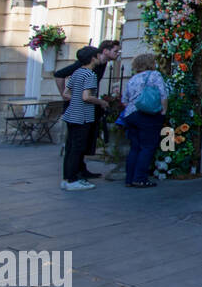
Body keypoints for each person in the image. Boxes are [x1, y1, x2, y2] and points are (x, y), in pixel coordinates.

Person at [54, 39, 120, 179]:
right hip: (81, 111)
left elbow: (68, 91)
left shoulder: (83, 72)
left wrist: (70, 96)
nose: (118, 54)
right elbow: (83, 95)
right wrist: (100, 101)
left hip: (78, 110)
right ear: (103, 52)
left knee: (77, 144)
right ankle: (72, 177)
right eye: (115, 51)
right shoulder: (88, 71)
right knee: (76, 144)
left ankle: (74, 173)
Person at [60, 46, 107, 191]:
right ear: (93, 58)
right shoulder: (90, 74)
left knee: (71, 147)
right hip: (82, 116)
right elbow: (86, 97)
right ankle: (73, 180)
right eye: (98, 55)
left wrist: (77, 98)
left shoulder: (77, 72)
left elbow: (66, 93)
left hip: (71, 114)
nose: (100, 58)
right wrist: (101, 102)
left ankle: (67, 178)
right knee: (78, 148)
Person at [120, 53, 169, 188]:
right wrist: (163, 111)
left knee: (135, 147)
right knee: (147, 147)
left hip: (130, 115)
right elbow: (163, 94)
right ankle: (140, 178)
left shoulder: (133, 79)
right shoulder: (155, 75)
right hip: (147, 115)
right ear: (150, 63)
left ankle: (129, 179)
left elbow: (124, 100)